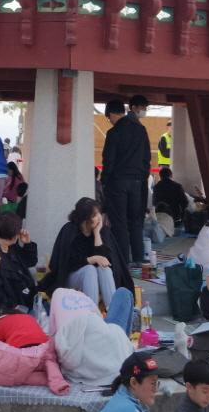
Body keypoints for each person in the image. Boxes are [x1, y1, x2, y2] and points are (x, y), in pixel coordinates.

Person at [38, 197, 133, 307]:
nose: (99, 218)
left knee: (104, 269)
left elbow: (106, 260)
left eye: (99, 214)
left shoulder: (102, 231)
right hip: (70, 277)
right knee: (89, 270)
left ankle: (113, 313)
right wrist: (93, 259)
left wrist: (97, 234)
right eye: (94, 216)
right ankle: (91, 314)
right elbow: (66, 263)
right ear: (84, 219)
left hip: (98, 279)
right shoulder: (70, 230)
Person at [100, 98, 152, 267]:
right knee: (136, 220)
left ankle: (123, 259)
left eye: (109, 117)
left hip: (118, 183)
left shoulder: (114, 133)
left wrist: (104, 182)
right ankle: (138, 257)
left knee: (120, 222)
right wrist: (142, 179)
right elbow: (146, 158)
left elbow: (109, 161)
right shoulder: (141, 130)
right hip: (137, 182)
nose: (110, 121)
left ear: (112, 114)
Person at [90, 352, 159, 412]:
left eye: (157, 383)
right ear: (133, 383)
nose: (156, 389)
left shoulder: (123, 399)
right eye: (153, 383)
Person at [0, 210, 37, 310]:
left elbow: (31, 261)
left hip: (26, 300)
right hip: (13, 308)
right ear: (14, 234)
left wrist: (28, 244)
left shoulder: (11, 247)